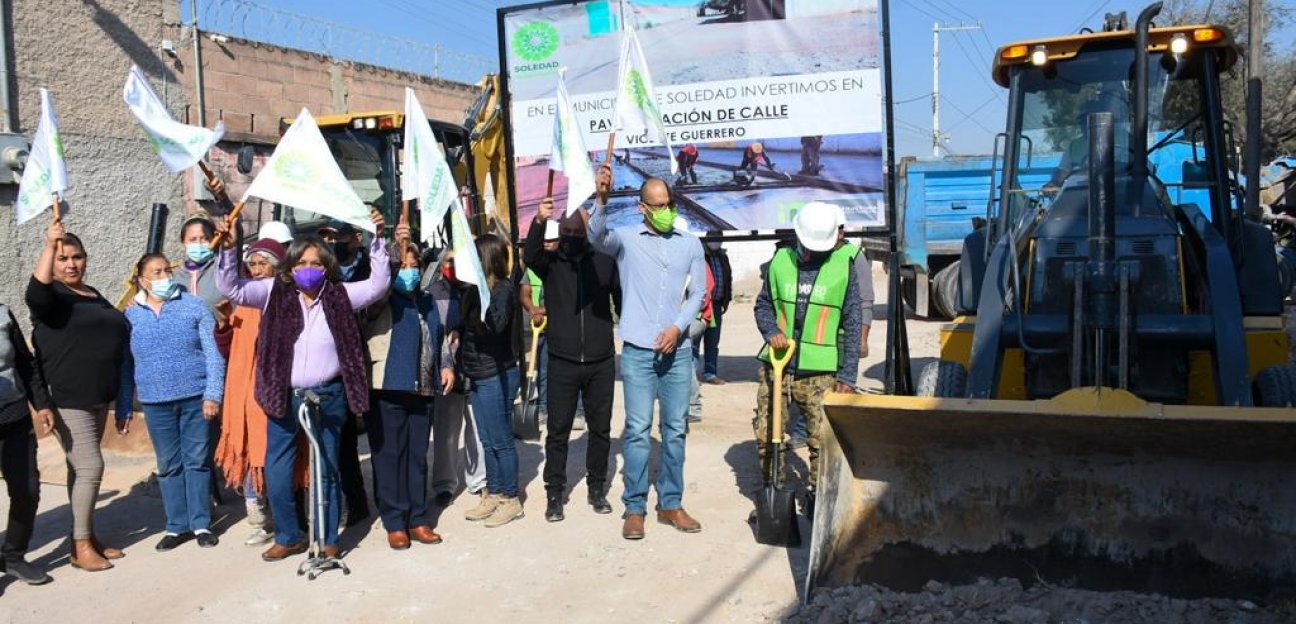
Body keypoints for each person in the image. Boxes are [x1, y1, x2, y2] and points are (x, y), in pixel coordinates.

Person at [217, 211, 389, 562]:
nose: (308, 269)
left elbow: (378, 285)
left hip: (328, 395)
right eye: (301, 263)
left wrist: (377, 239)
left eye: (316, 263)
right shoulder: (273, 293)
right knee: (278, 470)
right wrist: (230, 250)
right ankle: (288, 535)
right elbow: (232, 288)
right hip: (282, 395)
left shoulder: (340, 295)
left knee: (326, 467)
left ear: (326, 267)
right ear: (290, 267)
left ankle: (327, 538)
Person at [588, 165, 707, 540]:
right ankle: (635, 507)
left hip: (678, 352)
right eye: (657, 205)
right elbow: (596, 236)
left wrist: (677, 327)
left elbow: (698, 293)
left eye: (668, 203)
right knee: (638, 431)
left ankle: (670, 503)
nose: (665, 210)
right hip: (638, 352)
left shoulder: (690, 244)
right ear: (642, 208)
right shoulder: (625, 239)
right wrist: (602, 198)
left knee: (675, 431)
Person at [26, 221, 129, 571]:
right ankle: (81, 547)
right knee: (91, 467)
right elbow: (35, 294)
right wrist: (49, 244)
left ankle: (85, 536)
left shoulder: (92, 293)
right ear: (52, 264)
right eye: (63, 258)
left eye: (77, 257)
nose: (71, 264)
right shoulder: (52, 297)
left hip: (98, 397)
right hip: (67, 399)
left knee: (79, 469)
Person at [752, 202, 865, 518]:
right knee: (768, 434)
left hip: (820, 371)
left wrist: (848, 375)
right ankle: (774, 494)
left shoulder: (844, 267)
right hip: (777, 365)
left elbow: (853, 322)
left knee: (821, 441)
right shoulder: (779, 262)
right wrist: (771, 331)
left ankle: (818, 499)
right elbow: (763, 305)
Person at [118, 252, 226, 550]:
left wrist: (213, 394)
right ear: (141, 280)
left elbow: (213, 354)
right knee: (168, 465)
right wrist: (125, 404)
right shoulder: (130, 315)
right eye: (156, 272)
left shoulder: (194, 306)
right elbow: (125, 365)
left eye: (167, 270)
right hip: (155, 402)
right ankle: (177, 526)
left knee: (197, 462)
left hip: (195, 399)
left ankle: (201, 523)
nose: (164, 276)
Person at [525, 201, 621, 523]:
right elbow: (531, 255)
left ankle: (597, 488)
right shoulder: (551, 262)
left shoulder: (604, 263)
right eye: (565, 231)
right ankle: (555, 493)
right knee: (558, 431)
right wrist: (539, 221)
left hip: (600, 360)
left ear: (587, 232)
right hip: (562, 360)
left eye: (576, 232)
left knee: (600, 429)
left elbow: (622, 300)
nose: (571, 237)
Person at [361, 226, 455, 549]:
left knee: (417, 456)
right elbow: (378, 287)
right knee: (390, 456)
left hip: (422, 387)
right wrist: (392, 247)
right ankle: (394, 520)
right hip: (387, 387)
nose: (409, 271)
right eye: (403, 265)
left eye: (414, 265)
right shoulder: (380, 298)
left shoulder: (427, 300)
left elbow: (440, 337)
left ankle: (417, 517)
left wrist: (446, 365)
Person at [214, 236, 286, 547]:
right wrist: (223, 326)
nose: (256, 269)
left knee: (276, 452)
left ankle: (287, 517)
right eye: (253, 263)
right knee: (247, 448)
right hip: (243, 389)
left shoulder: (283, 299)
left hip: (274, 387)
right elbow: (227, 349)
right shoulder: (242, 301)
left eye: (263, 264)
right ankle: (258, 518)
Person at [460, 234, 524, 528]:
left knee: (501, 441)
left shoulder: (503, 290)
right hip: (476, 372)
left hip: (496, 373)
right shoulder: (475, 289)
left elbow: (495, 327)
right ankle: (494, 492)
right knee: (486, 440)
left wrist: (479, 297)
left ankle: (511, 499)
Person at [319, 219, 373, 527]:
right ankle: (338, 506)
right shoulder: (325, 272)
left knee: (350, 442)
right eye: (328, 238)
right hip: (330, 361)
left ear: (355, 238)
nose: (332, 243)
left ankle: (358, 503)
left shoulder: (369, 268)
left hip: (360, 360)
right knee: (335, 446)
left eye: (337, 237)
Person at [0, 302, 54, 585]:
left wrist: (41, 404)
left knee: (27, 490)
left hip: (14, 417)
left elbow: (24, 361)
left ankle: (13, 555)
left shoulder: (2, 313)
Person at [427, 251, 487, 507]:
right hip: (446, 372)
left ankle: (480, 481)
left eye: (457, 260)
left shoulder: (476, 289)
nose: (453, 266)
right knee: (446, 433)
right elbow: (432, 332)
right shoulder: (432, 293)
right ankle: (444, 484)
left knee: (478, 431)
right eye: (448, 261)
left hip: (475, 369)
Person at [519, 220, 558, 425]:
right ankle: (543, 408)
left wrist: (542, 310)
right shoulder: (532, 269)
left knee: (568, 371)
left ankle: (578, 410)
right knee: (542, 370)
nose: (548, 245)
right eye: (545, 242)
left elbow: (564, 298)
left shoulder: (562, 266)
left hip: (560, 326)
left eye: (552, 241)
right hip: (540, 329)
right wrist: (533, 310)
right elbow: (524, 294)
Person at [698, 239, 732, 385]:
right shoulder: (699, 255)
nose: (715, 240)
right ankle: (691, 376)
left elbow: (728, 279)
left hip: (717, 306)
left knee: (712, 341)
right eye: (712, 236)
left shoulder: (723, 257)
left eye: (718, 236)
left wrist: (727, 299)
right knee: (694, 340)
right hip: (700, 306)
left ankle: (710, 373)